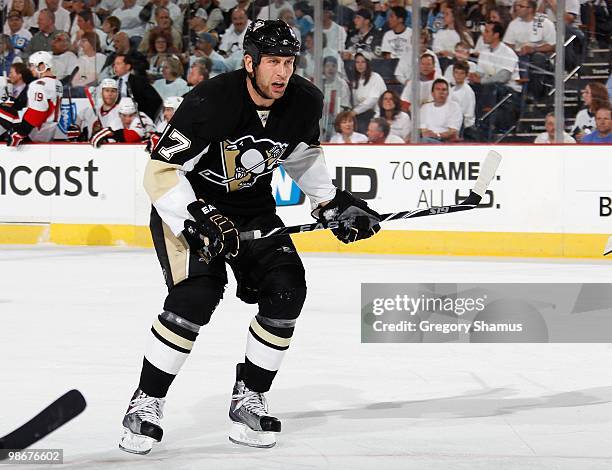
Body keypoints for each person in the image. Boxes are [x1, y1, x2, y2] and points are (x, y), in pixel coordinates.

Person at [118, 19, 381, 455]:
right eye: (274, 62)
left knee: (287, 290)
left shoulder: (303, 101)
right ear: (249, 62)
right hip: (184, 207)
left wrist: (331, 202)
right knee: (197, 295)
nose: (282, 72)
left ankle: (249, 399)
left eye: (289, 62)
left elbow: (301, 154)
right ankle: (145, 404)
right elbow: (160, 173)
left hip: (253, 210)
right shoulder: (209, 101)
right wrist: (199, 216)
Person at [6, 51, 63, 146]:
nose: (30, 69)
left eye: (32, 65)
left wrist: (19, 134)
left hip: (36, 131)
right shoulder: (58, 83)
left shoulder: (37, 85)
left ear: (42, 66)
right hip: (49, 129)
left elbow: (37, 114)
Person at [113, 53, 162, 120]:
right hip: (114, 117)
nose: (115, 66)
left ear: (128, 66)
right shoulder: (111, 81)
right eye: (114, 64)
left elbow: (156, 100)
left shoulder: (139, 82)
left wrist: (145, 117)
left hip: (133, 119)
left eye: (118, 64)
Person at [91, 96, 155, 146]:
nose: (127, 120)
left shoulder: (142, 117)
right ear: (119, 114)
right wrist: (105, 139)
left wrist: (112, 134)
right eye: (124, 115)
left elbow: (132, 136)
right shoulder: (116, 121)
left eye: (131, 115)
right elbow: (110, 139)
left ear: (136, 113)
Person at [351, 52, 387, 133]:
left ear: (368, 63)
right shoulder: (355, 81)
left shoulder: (376, 77)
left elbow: (373, 99)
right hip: (361, 114)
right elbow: (356, 102)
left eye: (363, 62)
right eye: (357, 62)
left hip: (376, 115)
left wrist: (355, 111)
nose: (360, 65)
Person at [419, 78, 463, 143]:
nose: (441, 92)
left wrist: (437, 135)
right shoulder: (424, 107)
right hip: (426, 139)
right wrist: (427, 134)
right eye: (438, 89)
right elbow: (422, 129)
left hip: (445, 142)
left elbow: (453, 131)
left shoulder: (454, 107)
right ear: (432, 93)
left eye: (444, 90)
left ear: (447, 93)